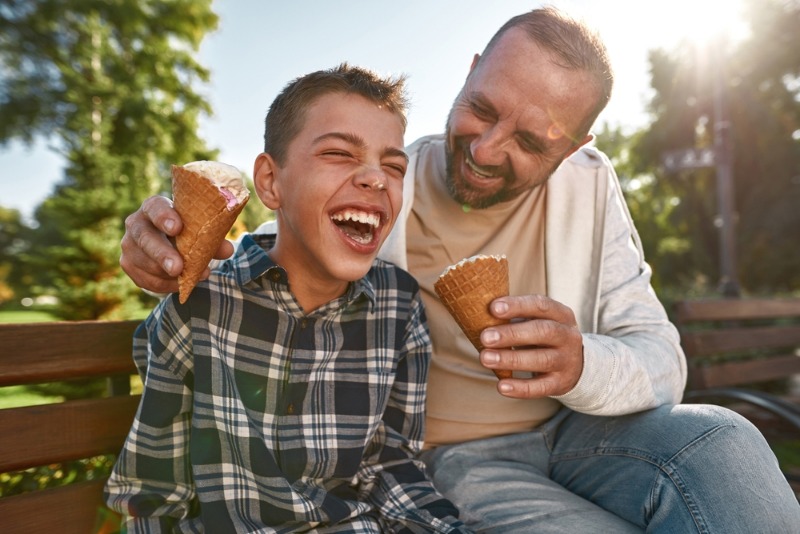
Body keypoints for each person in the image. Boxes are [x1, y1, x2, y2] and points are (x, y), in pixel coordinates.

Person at [119, 7, 800, 533]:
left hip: (579, 432)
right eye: (482, 108)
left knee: (726, 438)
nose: (487, 148)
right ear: (471, 69)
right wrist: (164, 246)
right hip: (455, 460)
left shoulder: (589, 186)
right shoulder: (389, 180)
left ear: (576, 147)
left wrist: (580, 363)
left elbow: (661, 361)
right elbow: (289, 236)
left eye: (532, 142)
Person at [105, 63, 470, 533]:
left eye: (394, 166)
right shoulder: (198, 305)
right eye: (339, 153)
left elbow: (391, 466)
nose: (376, 179)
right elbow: (155, 498)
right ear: (270, 182)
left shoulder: (400, 307)